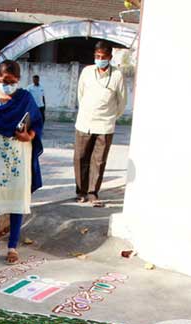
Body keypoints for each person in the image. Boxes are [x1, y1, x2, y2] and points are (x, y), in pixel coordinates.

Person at [0, 60, 44, 265]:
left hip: (19, 152)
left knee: (17, 199)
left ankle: (13, 247)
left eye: (12, 81)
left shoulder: (25, 98)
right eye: (3, 80)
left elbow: (37, 124)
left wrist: (29, 136)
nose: (7, 84)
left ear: (18, 80)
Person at [74, 40, 127, 207]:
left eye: (103, 57)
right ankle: (80, 192)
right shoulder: (87, 72)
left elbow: (122, 102)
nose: (100, 59)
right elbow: (80, 95)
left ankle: (92, 193)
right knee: (80, 158)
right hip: (84, 123)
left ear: (110, 57)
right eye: (97, 56)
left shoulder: (117, 75)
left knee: (99, 161)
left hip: (105, 125)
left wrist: (110, 117)